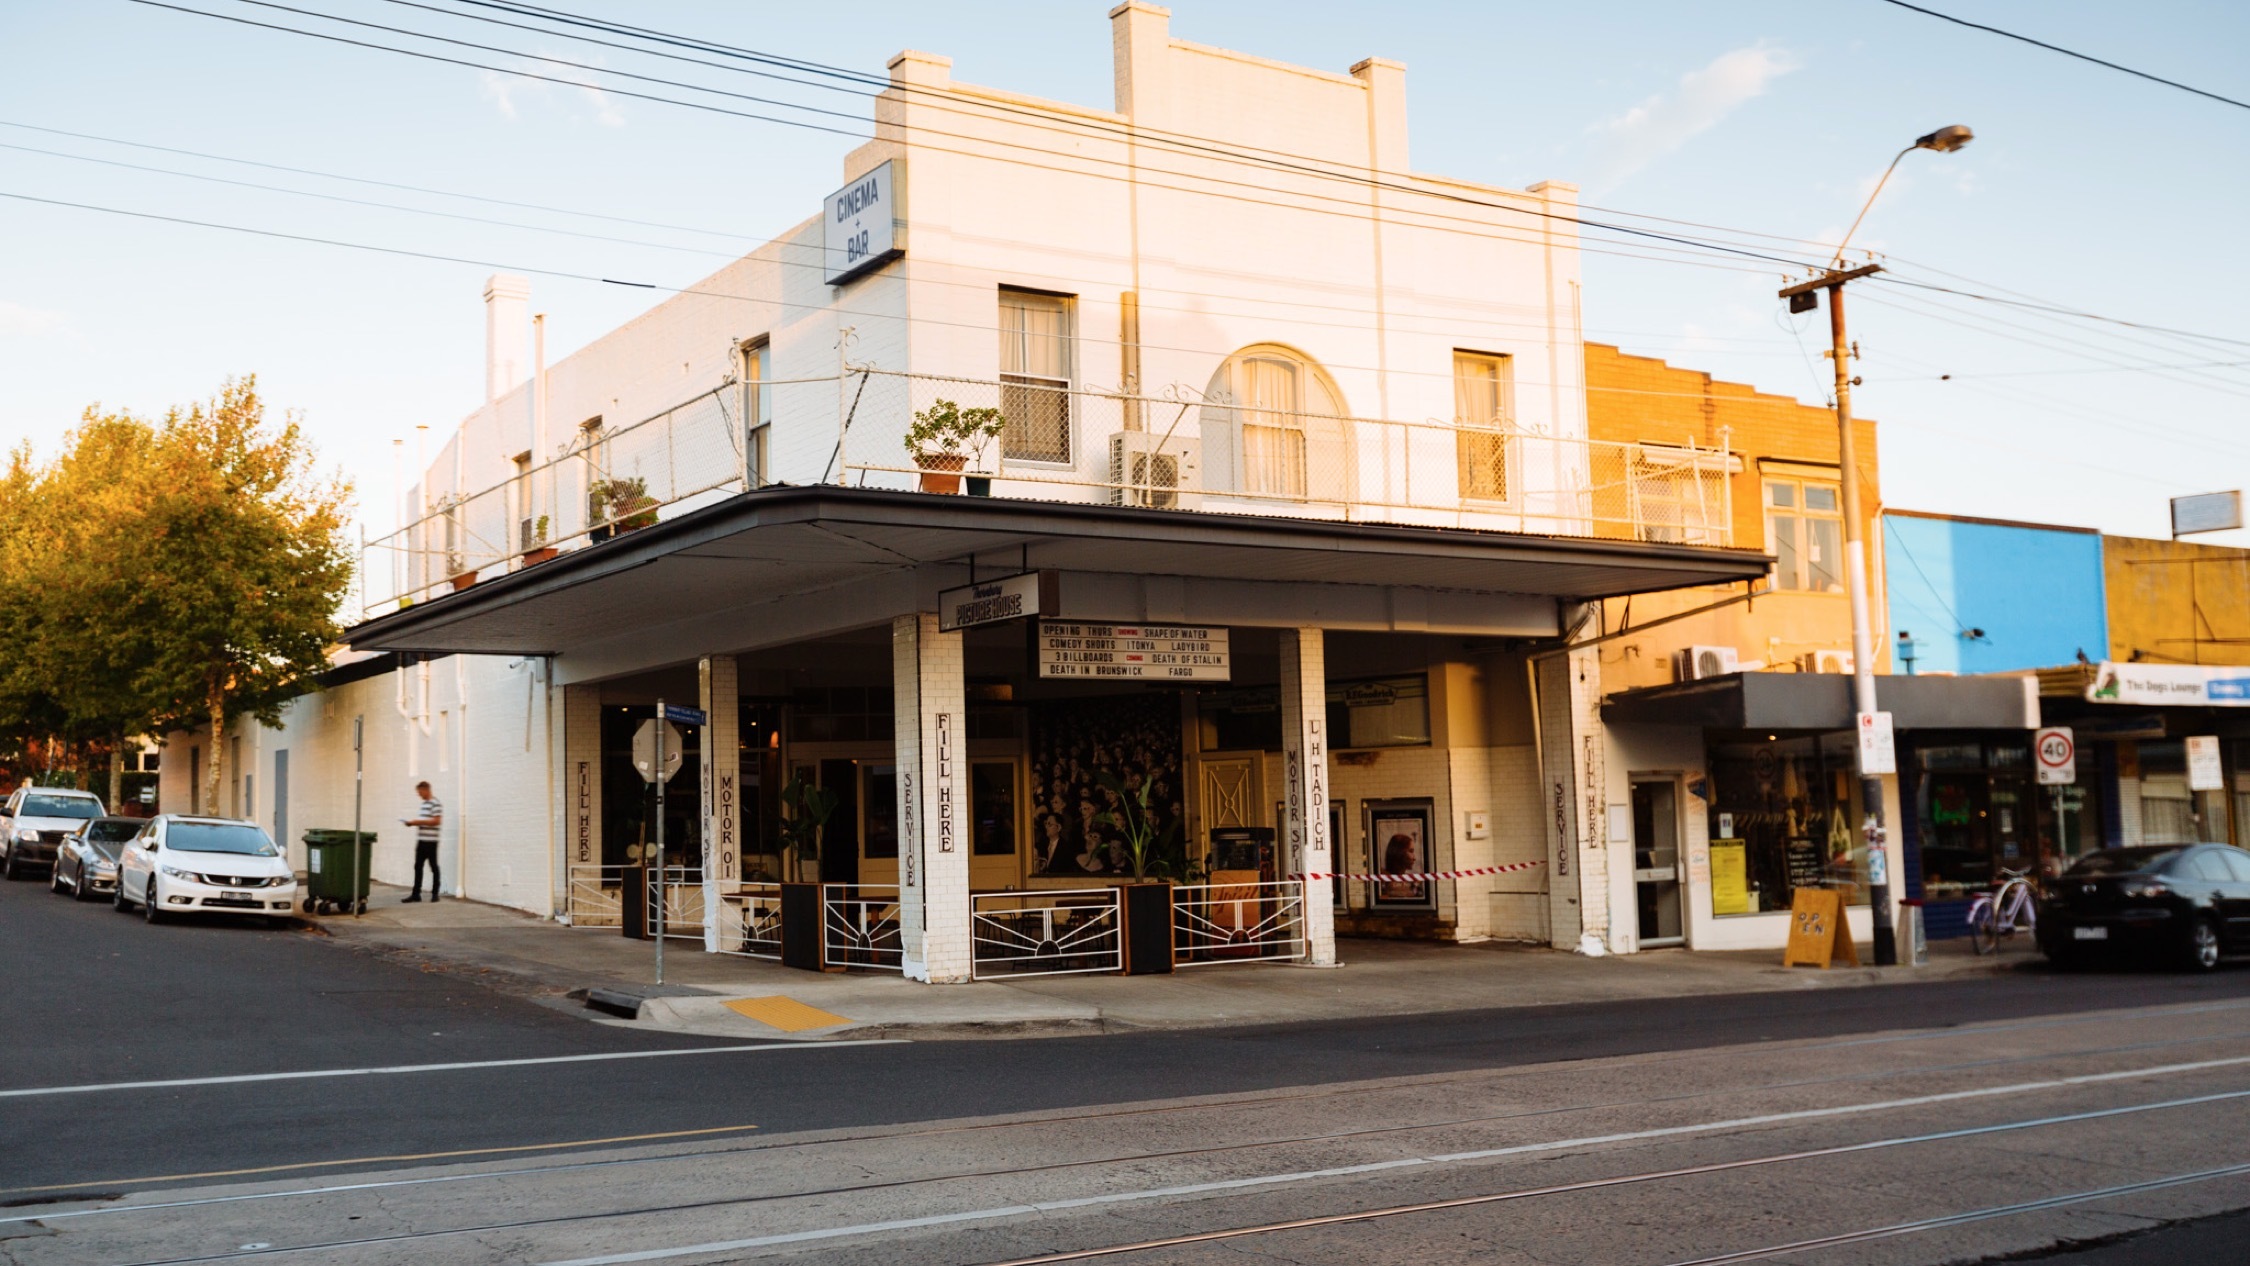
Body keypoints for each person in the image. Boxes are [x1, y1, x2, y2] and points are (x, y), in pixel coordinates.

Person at [404, 781, 442, 903]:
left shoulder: (436, 803)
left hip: (431, 842)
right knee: (418, 867)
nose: (419, 795)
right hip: (421, 841)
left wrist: (418, 822)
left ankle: (435, 893)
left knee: (433, 867)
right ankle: (416, 894)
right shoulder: (424, 804)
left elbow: (436, 821)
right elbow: (424, 820)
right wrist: (412, 823)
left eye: (420, 792)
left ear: (426, 790)